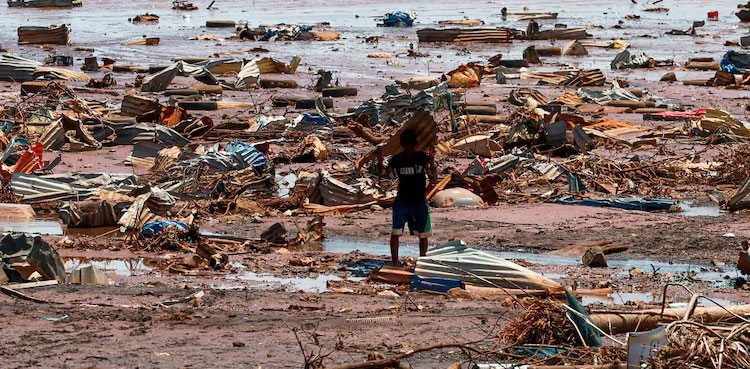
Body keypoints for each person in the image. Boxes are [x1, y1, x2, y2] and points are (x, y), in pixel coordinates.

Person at [378, 129, 436, 266]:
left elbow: (433, 176)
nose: (408, 145)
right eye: (406, 143)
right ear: (403, 144)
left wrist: (432, 159)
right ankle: (395, 262)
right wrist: (379, 158)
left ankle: (423, 261)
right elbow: (385, 174)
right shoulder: (397, 159)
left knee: (423, 234)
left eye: (411, 143)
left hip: (419, 200)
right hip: (403, 199)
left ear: (414, 144)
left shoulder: (422, 158)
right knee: (396, 231)